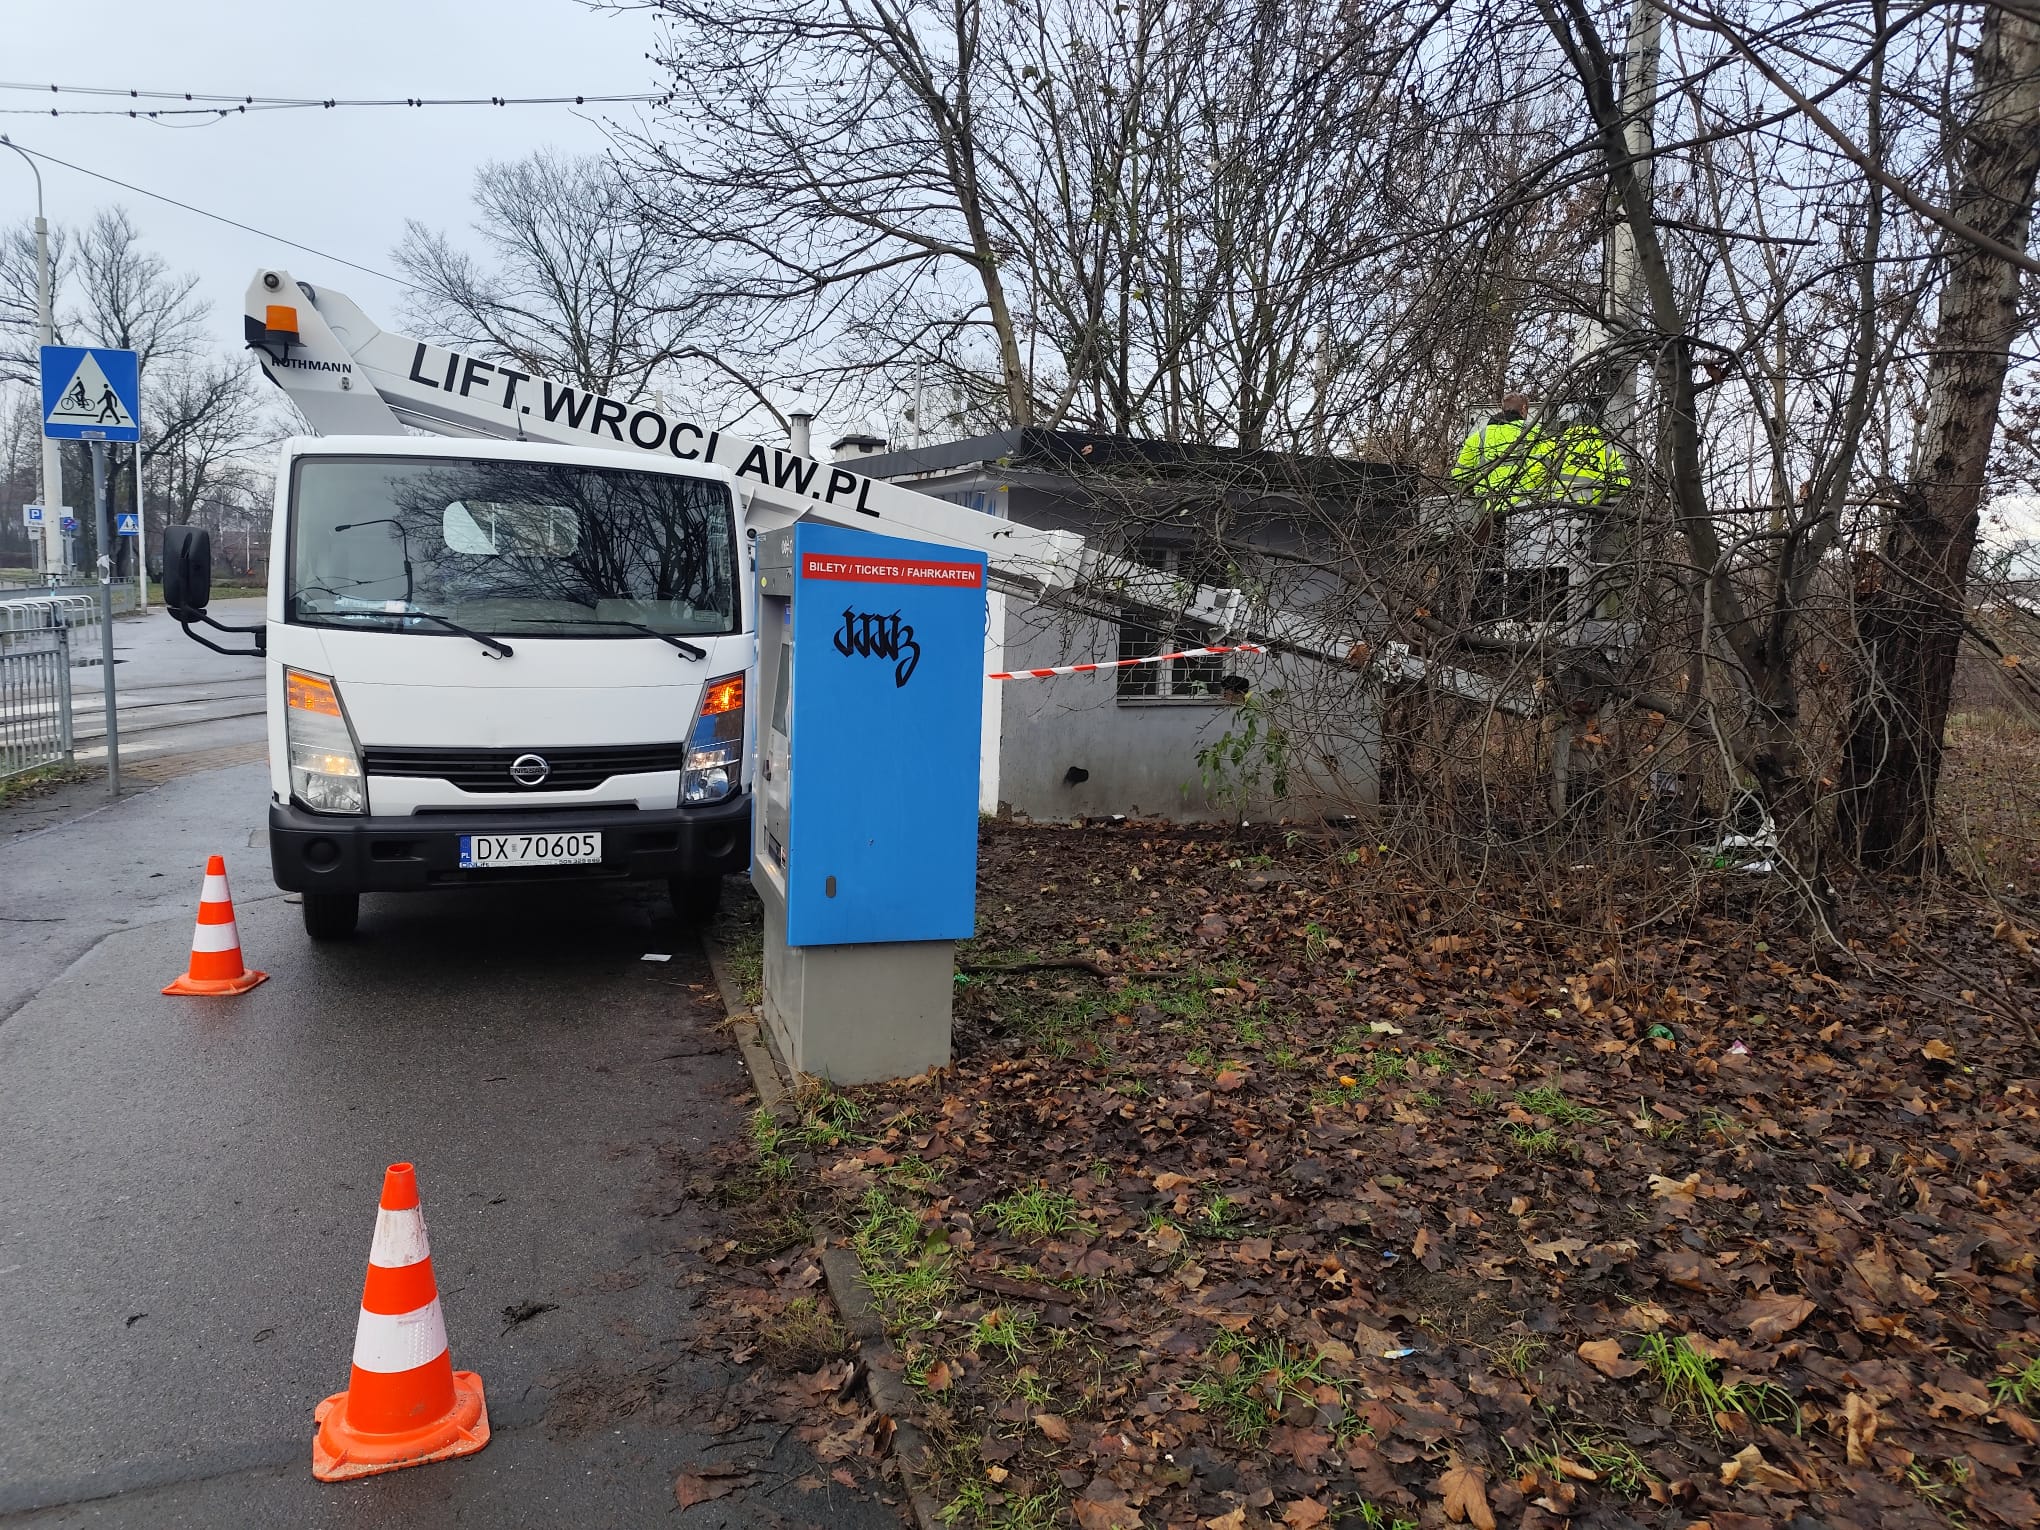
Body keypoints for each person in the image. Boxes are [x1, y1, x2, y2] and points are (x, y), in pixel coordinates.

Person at [1453, 391, 1544, 523]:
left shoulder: (1478, 437)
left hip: (1487, 510)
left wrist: (1474, 490)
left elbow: (1459, 476)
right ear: (1523, 409)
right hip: (1525, 511)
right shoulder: (1536, 434)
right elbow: (1544, 471)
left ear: (1503, 409)